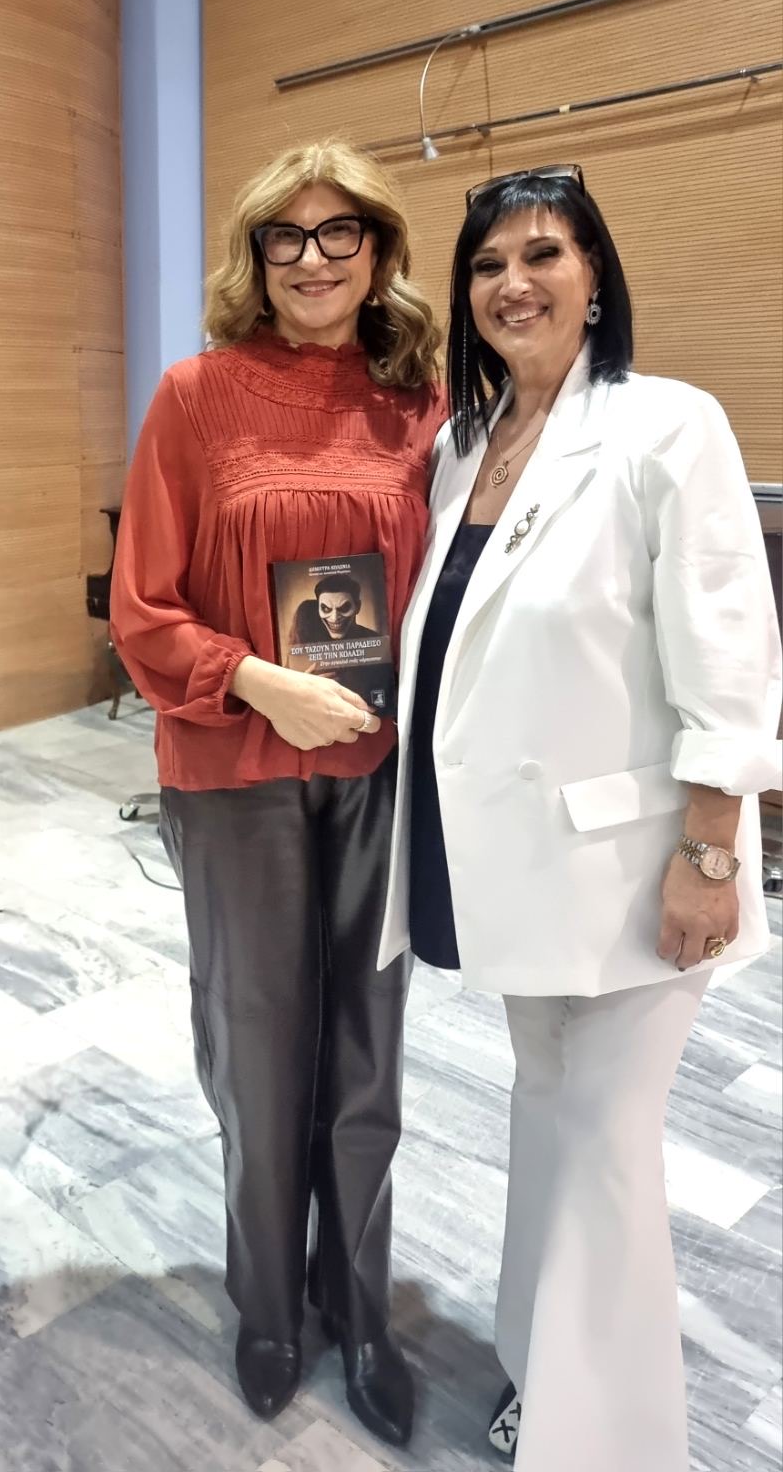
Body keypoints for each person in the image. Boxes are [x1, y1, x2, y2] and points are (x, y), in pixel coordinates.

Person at [377, 163, 782, 1470]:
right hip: (518, 867)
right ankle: (535, 1367)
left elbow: (730, 656)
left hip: (638, 868)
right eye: (488, 264)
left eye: (543, 254)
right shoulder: (465, 446)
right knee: (545, 1107)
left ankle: (605, 1443)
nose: (515, 283)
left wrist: (710, 851)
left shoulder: (669, 426)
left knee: (606, 1145)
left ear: (595, 275)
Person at [110, 138, 443, 1444]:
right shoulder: (195, 398)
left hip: (377, 776)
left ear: (380, 250)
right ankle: (266, 1308)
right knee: (257, 1049)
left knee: (367, 1050)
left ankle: (357, 1303)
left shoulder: (420, 408)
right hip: (236, 772)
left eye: (338, 233)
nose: (312, 260)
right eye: (285, 237)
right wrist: (257, 682)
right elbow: (143, 609)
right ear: (256, 257)